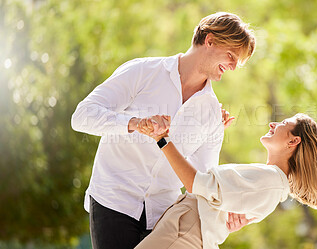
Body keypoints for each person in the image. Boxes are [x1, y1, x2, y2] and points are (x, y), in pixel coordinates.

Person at [71, 12, 256, 249]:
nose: (232, 67)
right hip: (114, 199)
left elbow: (202, 181)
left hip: (164, 215)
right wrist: (136, 124)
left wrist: (226, 215)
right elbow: (82, 116)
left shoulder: (212, 114)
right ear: (210, 40)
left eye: (236, 63)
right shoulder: (143, 72)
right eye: (231, 56)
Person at [134, 113, 317, 249]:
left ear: (293, 141)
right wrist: (215, 132)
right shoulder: (269, 182)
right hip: (186, 233)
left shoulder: (269, 181)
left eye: (282, 124)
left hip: (183, 234)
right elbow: (214, 192)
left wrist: (162, 139)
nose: (273, 124)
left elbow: (196, 183)